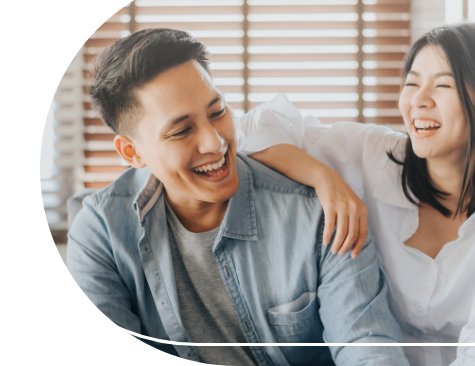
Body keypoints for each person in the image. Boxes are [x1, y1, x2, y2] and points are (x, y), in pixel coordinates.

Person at [236, 23, 475, 365]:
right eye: (412, 83)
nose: (417, 100)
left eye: (443, 85)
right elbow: (253, 128)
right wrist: (324, 178)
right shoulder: (373, 156)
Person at [66, 28, 411, 365]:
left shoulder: (323, 216)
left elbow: (367, 346)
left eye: (217, 112)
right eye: (183, 130)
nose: (215, 142)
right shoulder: (102, 231)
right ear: (132, 152)